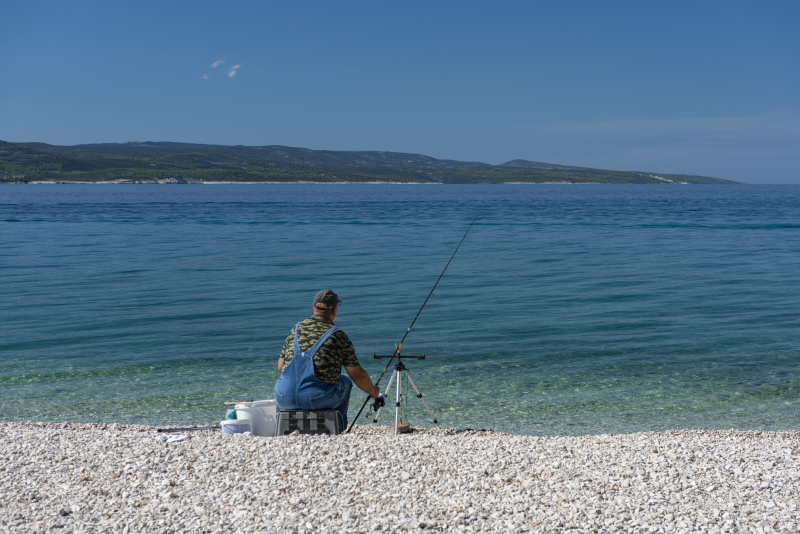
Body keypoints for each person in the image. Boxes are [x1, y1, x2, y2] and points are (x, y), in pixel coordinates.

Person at [274, 289, 382, 431]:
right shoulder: (338, 336)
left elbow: (281, 366)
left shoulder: (296, 329)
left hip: (283, 396)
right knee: (345, 382)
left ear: (313, 308)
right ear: (334, 310)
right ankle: (338, 429)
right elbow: (358, 376)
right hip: (316, 399)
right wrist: (373, 392)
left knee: (283, 382)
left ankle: (283, 428)